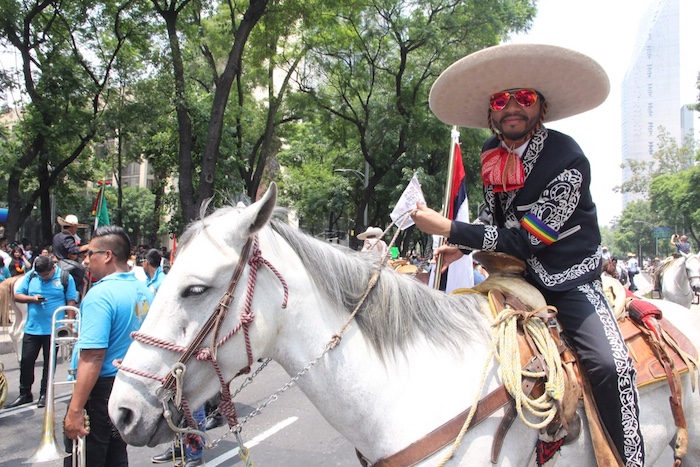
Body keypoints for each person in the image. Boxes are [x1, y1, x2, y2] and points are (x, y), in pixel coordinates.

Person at [412, 43, 644, 465]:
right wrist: (459, 247)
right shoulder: (488, 153)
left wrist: (448, 226)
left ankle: (630, 458)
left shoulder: (568, 157)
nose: (512, 107)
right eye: (501, 100)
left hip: (567, 279)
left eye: (525, 98)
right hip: (512, 277)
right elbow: (493, 218)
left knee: (614, 367)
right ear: (490, 112)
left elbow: (526, 238)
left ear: (542, 107)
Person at [62, 225, 154, 467]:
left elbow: (92, 357)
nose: (86, 260)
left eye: (90, 253)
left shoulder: (100, 295)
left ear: (107, 256)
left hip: (100, 388)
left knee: (86, 456)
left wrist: (75, 408)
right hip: (129, 383)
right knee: (115, 453)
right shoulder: (144, 291)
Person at [5, 256, 78, 409]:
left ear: (53, 268)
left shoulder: (65, 277)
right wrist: (32, 298)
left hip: (52, 328)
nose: (43, 278)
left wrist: (69, 323)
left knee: (49, 363)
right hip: (33, 328)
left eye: (45, 275)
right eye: (41, 276)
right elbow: (17, 295)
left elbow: (71, 299)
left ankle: (45, 393)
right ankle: (25, 393)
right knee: (26, 360)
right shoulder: (32, 275)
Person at [53, 215, 88, 300]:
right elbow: (73, 250)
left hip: (59, 263)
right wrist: (89, 246)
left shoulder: (57, 236)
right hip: (67, 265)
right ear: (73, 227)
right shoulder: (67, 237)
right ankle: (81, 301)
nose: (77, 229)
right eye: (76, 227)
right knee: (85, 281)